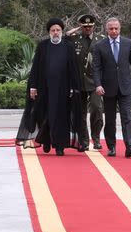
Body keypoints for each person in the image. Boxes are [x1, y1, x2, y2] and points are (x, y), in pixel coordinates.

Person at [16, 18, 82, 156]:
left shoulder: (68, 46)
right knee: (45, 115)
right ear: (49, 32)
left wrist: (72, 87)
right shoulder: (43, 46)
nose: (56, 32)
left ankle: (60, 146)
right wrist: (33, 86)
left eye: (58, 30)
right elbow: (35, 67)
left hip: (63, 89)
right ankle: (46, 141)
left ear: (61, 31)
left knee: (61, 117)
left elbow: (73, 69)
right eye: (53, 30)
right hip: (45, 88)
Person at [92, 17, 131, 158]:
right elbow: (96, 68)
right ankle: (111, 146)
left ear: (120, 29)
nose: (114, 31)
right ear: (107, 29)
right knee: (110, 120)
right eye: (111, 28)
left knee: (127, 117)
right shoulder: (99, 46)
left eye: (116, 28)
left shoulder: (128, 43)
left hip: (126, 87)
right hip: (108, 88)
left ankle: (130, 145)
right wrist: (98, 84)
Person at [66, 14, 105, 151]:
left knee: (96, 108)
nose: (87, 29)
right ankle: (84, 141)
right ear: (80, 27)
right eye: (84, 27)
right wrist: (70, 32)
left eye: (90, 26)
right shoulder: (74, 39)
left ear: (94, 26)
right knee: (80, 113)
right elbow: (62, 42)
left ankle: (96, 138)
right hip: (79, 81)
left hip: (95, 81)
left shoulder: (101, 40)